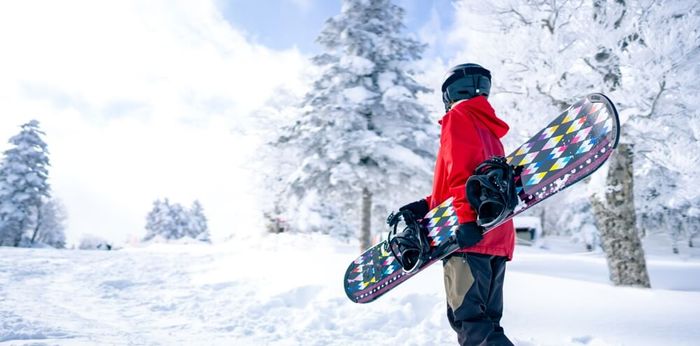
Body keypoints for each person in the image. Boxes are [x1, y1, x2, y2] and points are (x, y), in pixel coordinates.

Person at [398, 63, 515, 346]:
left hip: (467, 237)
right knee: (487, 323)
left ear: (449, 94)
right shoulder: (490, 132)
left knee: (471, 325)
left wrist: (464, 221)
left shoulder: (457, 118)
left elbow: (462, 175)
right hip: (497, 237)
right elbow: (474, 181)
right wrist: (425, 206)